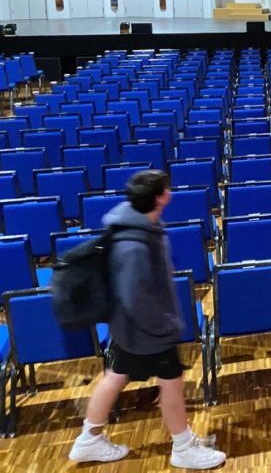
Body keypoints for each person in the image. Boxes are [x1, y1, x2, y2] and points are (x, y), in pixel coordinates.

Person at [69, 170, 227, 469]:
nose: (170, 192)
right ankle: (183, 448)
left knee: (116, 376)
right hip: (148, 330)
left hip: (130, 327)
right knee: (172, 383)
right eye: (166, 188)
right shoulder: (135, 245)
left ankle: (88, 439)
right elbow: (134, 296)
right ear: (159, 197)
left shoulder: (135, 224)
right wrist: (163, 327)